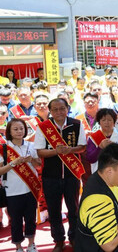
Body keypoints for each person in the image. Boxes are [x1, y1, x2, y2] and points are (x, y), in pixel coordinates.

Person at [34, 98, 87, 252]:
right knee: (54, 210)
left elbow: (82, 147)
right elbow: (39, 151)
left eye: (62, 108)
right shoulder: (44, 127)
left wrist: (70, 150)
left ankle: (74, 238)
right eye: (55, 109)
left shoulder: (76, 124)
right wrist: (55, 152)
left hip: (72, 175)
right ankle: (58, 241)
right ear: (50, 111)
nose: (59, 112)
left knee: (74, 208)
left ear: (67, 108)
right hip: (51, 175)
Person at [0, 119, 41, 252]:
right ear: (9, 132)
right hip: (12, 191)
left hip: (30, 188)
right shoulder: (4, 148)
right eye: (15, 129)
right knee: (16, 221)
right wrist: (13, 163)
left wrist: (32, 160)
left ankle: (31, 244)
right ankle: (18, 246)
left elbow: (38, 165)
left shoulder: (31, 145)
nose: (19, 131)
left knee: (31, 218)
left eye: (21, 129)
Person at [86, 109, 118, 174]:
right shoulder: (93, 137)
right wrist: (100, 148)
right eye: (103, 120)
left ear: (114, 122)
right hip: (100, 175)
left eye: (109, 120)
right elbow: (90, 159)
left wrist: (115, 148)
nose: (106, 122)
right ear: (99, 122)